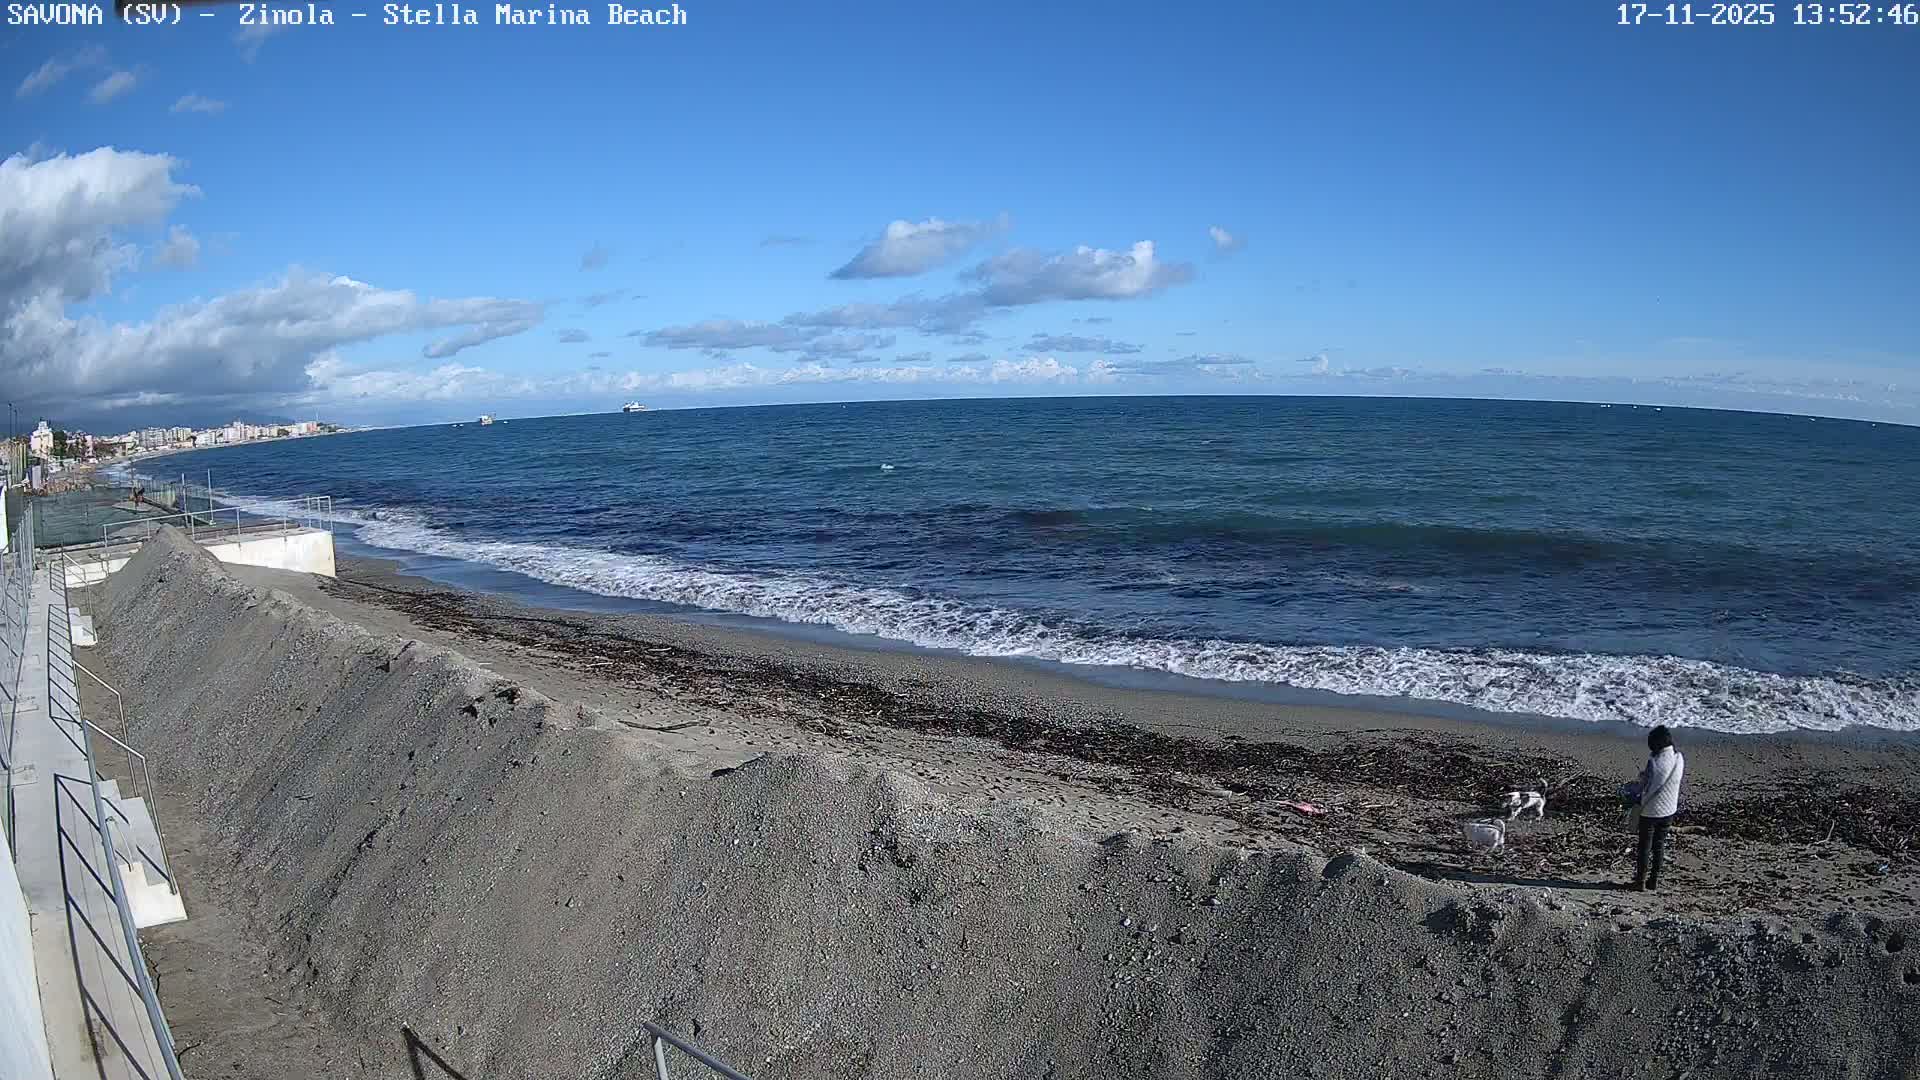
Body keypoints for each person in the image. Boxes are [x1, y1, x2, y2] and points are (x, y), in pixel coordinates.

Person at [1631, 725, 1685, 891]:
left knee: (1645, 847)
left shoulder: (1654, 762)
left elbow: (1645, 787)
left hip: (1650, 811)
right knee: (1659, 846)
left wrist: (1639, 780)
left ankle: (1639, 882)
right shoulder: (1679, 759)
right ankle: (1653, 881)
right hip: (1669, 809)